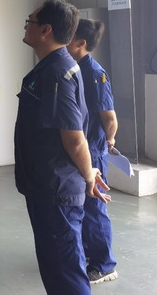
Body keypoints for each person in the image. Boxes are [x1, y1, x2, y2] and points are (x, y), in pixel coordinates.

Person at [15, 0, 111, 295]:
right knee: (56, 266)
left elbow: (74, 136)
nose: (26, 26)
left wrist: (88, 174)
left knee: (65, 271)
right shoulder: (53, 67)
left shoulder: (58, 72)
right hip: (46, 186)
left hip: (56, 190)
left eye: (30, 21)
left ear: (45, 30)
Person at [67, 19, 118, 284]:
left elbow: (109, 117)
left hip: (94, 149)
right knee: (84, 205)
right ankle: (89, 253)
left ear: (81, 42)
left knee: (95, 207)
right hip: (82, 147)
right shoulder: (74, 67)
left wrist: (109, 140)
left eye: (69, 36)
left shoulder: (96, 73)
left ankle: (105, 265)